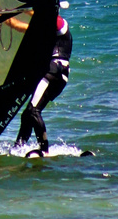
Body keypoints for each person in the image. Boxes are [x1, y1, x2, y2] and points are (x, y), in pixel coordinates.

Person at [8, 14, 72, 154]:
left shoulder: (59, 23)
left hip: (54, 71)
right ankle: (18, 148)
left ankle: (44, 150)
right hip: (56, 75)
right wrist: (5, 16)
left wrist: (21, 10)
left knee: (33, 111)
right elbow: (20, 26)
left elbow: (41, 15)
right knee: (27, 115)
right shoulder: (45, 28)